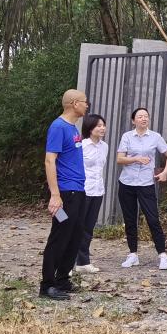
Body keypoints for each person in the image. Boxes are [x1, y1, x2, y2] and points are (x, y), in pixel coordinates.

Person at [41, 89, 89, 300]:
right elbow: (49, 160)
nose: (87, 105)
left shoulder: (72, 128)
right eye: (84, 102)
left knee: (75, 235)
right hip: (65, 193)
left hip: (78, 191)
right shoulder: (58, 127)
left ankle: (62, 279)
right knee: (60, 235)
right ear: (74, 103)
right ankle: (47, 285)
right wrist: (55, 195)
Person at [117, 107, 167, 270]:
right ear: (133, 120)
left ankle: (162, 255)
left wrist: (165, 172)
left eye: (146, 116)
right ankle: (133, 254)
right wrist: (135, 159)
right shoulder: (127, 136)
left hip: (146, 183)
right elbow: (119, 159)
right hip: (127, 183)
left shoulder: (155, 137)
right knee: (130, 220)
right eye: (140, 116)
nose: (144, 119)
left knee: (153, 219)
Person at [75, 113, 107, 274]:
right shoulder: (81, 145)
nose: (102, 128)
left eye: (103, 125)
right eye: (98, 126)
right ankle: (68, 262)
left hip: (98, 191)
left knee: (88, 228)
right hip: (83, 190)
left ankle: (83, 262)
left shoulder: (104, 146)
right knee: (76, 226)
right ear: (90, 128)